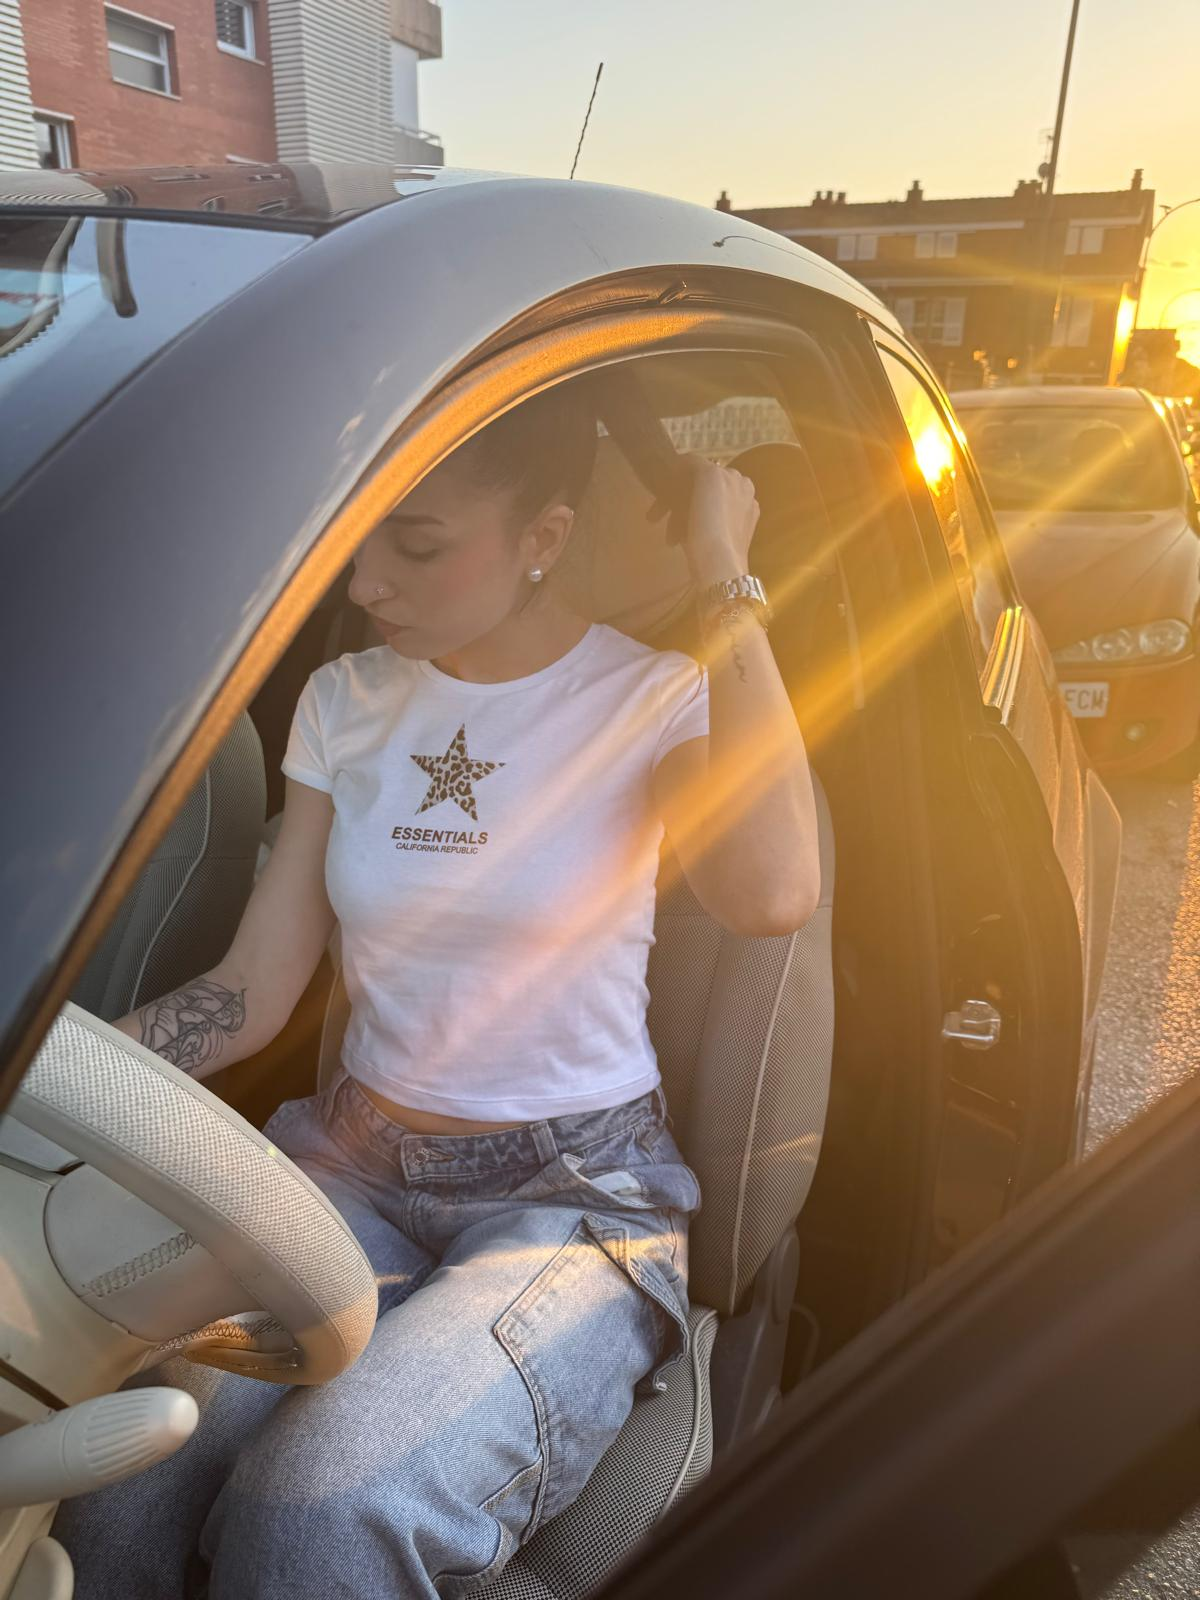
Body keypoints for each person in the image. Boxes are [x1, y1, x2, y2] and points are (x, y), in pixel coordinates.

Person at [55, 380, 820, 1599]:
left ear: (544, 538)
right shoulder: (344, 701)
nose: (366, 582)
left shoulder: (651, 698)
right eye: (361, 539)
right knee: (122, 1467)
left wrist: (727, 574)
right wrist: (40, 1071)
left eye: (416, 546)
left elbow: (773, 889)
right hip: (348, 1165)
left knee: (317, 1510)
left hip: (571, 1194)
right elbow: (251, 992)